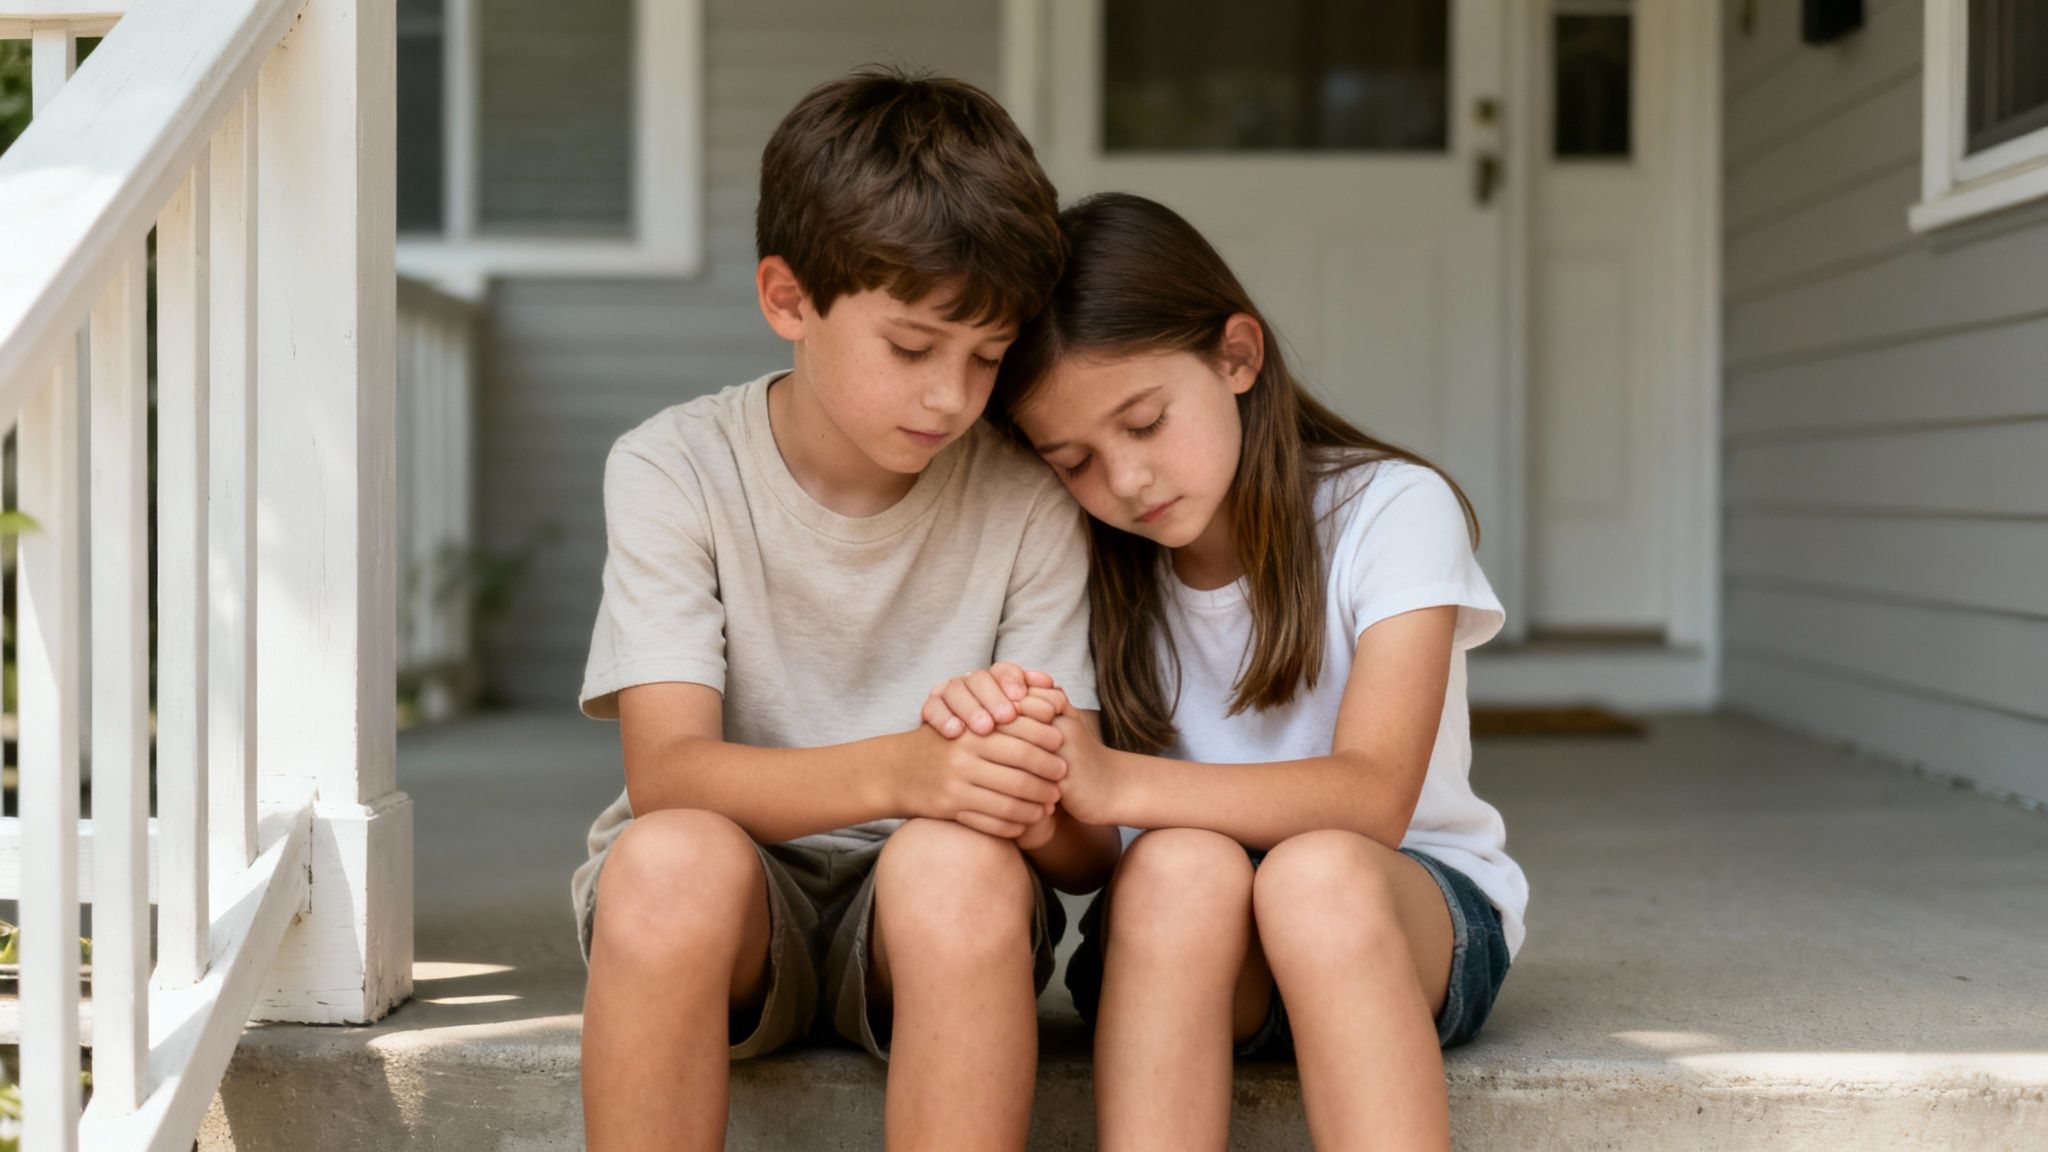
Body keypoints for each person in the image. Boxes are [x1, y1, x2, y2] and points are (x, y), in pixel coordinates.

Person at [572, 69, 1120, 1152]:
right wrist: (906, 768)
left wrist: (1026, 787)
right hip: (732, 899)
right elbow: (667, 773)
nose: (951, 399)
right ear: (787, 299)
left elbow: (1085, 851)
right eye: (912, 348)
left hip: (929, 911)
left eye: (989, 358)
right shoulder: (672, 467)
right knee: (666, 859)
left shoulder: (1025, 501)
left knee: (956, 869)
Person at [925, 192, 1526, 1151]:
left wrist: (1115, 778)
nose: (1124, 481)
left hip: (1401, 918)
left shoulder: (1393, 510)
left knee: (1317, 876)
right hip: (1186, 951)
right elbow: (1092, 860)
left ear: (1236, 357)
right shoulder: (1080, 557)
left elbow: (1370, 801)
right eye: (1073, 459)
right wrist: (1037, 798)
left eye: (1147, 422)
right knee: (1176, 866)